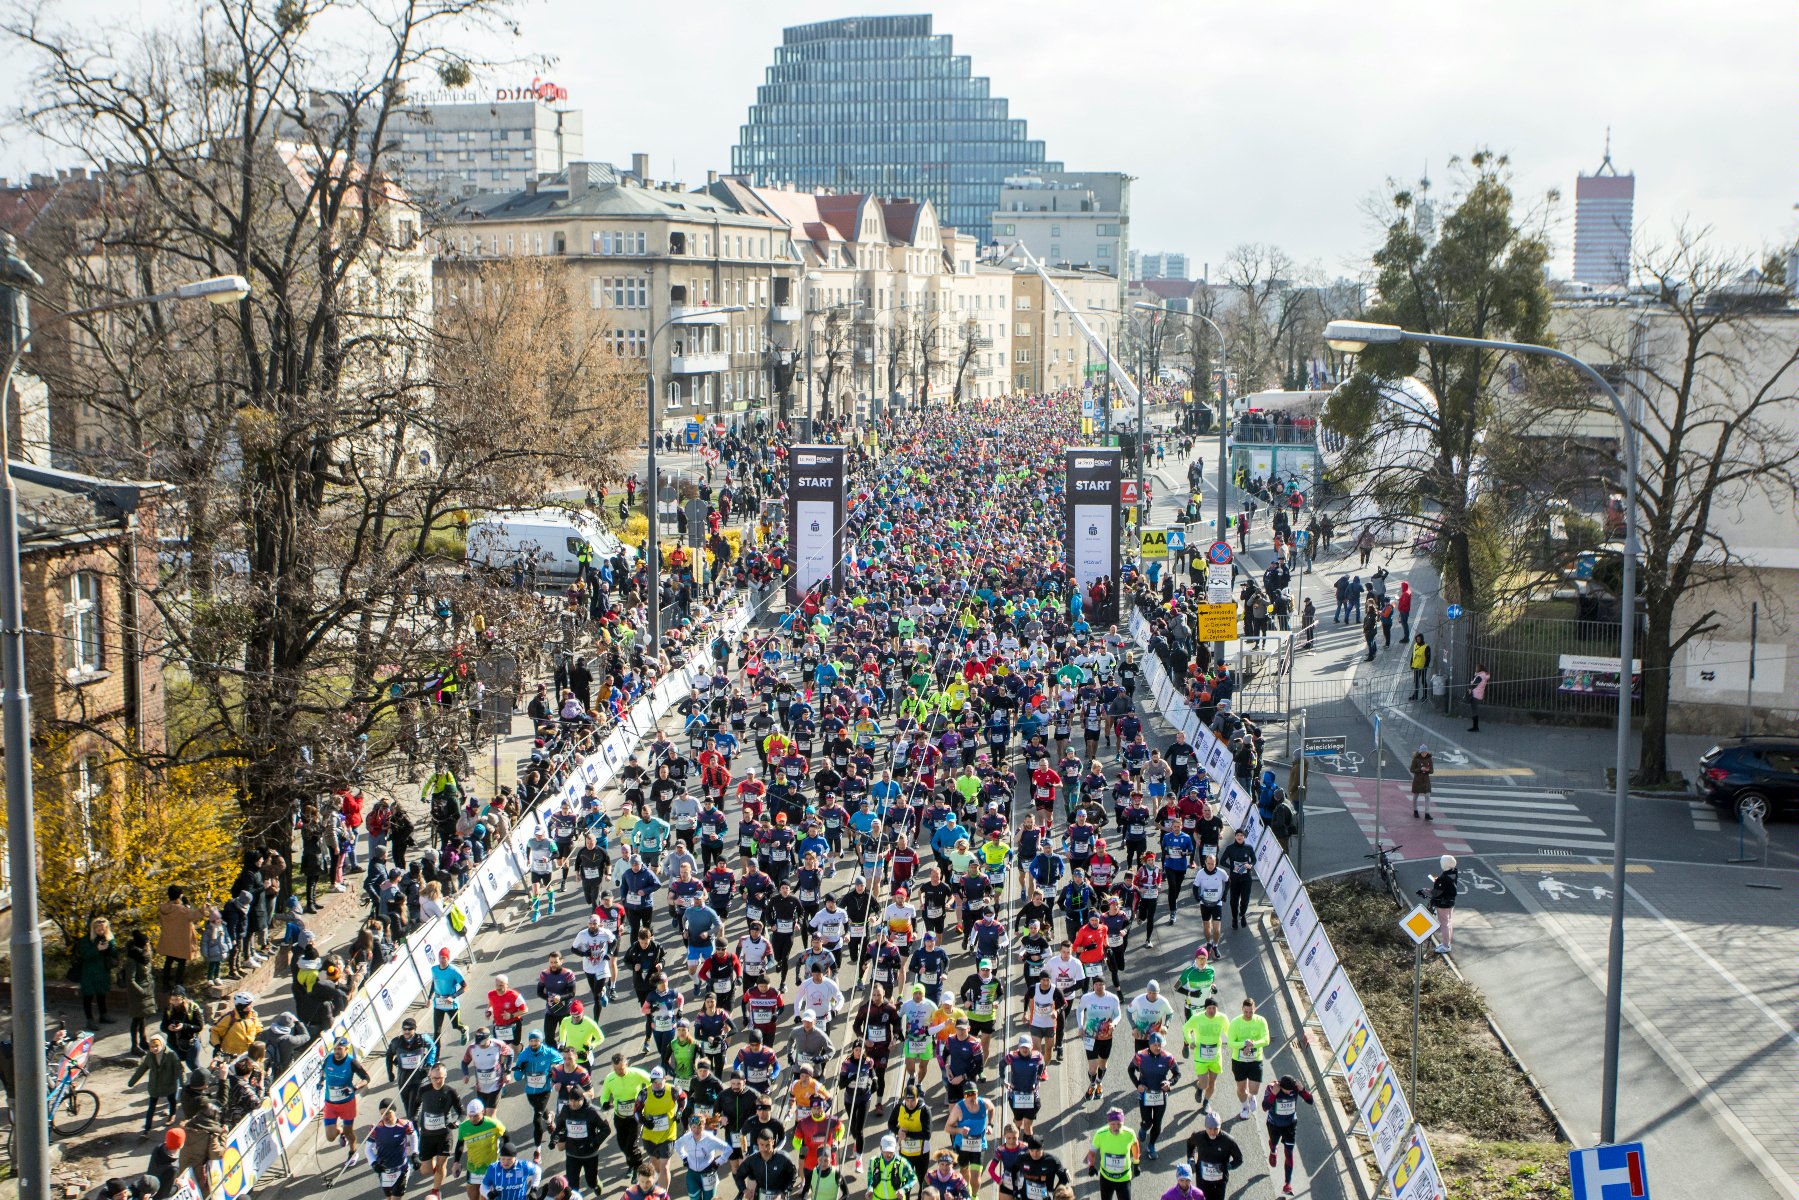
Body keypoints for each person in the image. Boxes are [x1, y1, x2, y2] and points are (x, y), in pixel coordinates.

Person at [1260, 1074, 1315, 1195]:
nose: (1289, 1092)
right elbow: (1264, 1107)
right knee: (1273, 1142)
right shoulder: (1271, 1088)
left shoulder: (1295, 1088)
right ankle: (1273, 1150)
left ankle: (1287, 1184)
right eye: (1286, 1091)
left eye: (1291, 1091)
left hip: (1290, 1125)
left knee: (1289, 1152)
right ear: (1281, 1086)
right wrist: (1273, 1094)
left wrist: (1303, 1090)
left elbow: (1310, 1101)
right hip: (1274, 1124)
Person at [362, 1099, 419, 1200]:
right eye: (382, 1114)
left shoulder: (405, 1125)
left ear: (394, 1111)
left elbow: (413, 1136)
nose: (385, 1116)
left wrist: (415, 1154)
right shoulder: (376, 1129)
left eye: (388, 1113)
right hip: (384, 1170)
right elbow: (368, 1149)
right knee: (389, 1198)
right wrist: (374, 1163)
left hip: (401, 1169)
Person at [126, 1034, 182, 1135]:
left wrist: (183, 1083)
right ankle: (147, 1129)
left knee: (172, 1100)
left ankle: (172, 1114)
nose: (154, 1049)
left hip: (169, 1084)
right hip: (155, 1086)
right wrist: (132, 1082)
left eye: (157, 1046)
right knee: (151, 1107)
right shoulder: (150, 1056)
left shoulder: (171, 1055)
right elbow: (142, 1068)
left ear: (162, 1045)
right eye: (152, 1047)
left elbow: (179, 1069)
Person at [1226, 998, 1269, 1120]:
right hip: (1239, 1061)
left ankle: (1251, 1097)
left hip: (1255, 1060)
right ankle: (1244, 1106)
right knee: (1241, 1088)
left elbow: (1266, 1040)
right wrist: (1244, 1044)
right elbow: (1230, 1043)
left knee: (1254, 1090)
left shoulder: (1261, 1021)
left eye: (1251, 1012)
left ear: (1255, 1009)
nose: (1248, 1014)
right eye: (1246, 1012)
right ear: (1242, 1010)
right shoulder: (1235, 1022)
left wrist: (1252, 1044)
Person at [455, 1098, 507, 1200]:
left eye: (475, 1116)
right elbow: (460, 1144)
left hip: (490, 1168)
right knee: (473, 1197)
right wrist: (456, 1162)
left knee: (484, 1198)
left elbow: (506, 1136)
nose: (473, 1119)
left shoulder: (493, 1124)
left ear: (483, 1111)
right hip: (473, 1169)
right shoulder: (464, 1127)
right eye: (470, 1116)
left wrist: (505, 1157)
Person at [1183, 1112, 1243, 1200]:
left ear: (1220, 1126)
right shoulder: (1198, 1137)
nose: (1212, 1132)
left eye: (1216, 1129)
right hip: (1202, 1179)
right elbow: (1190, 1144)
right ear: (1205, 1126)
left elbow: (1239, 1159)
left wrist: (1230, 1166)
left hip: (1220, 1181)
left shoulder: (1228, 1141)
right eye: (1209, 1128)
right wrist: (1191, 1159)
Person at [671, 1114, 732, 1200]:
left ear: (703, 1126)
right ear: (690, 1127)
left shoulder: (710, 1138)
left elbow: (728, 1149)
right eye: (694, 1127)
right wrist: (684, 1158)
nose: (696, 1130)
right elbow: (677, 1145)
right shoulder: (687, 1137)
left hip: (708, 1173)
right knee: (694, 1198)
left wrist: (718, 1162)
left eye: (699, 1127)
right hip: (692, 1175)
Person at [1085, 1107, 1140, 1200]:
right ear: (1108, 1123)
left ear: (1123, 1123)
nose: (1116, 1127)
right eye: (1112, 1124)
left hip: (1124, 1179)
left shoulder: (1129, 1134)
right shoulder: (1100, 1134)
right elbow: (1091, 1153)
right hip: (1106, 1179)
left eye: (1119, 1124)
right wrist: (1091, 1166)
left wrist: (1136, 1163)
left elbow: (1135, 1147)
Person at [733, 1125, 798, 1200]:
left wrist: (783, 1192)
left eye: (768, 1145)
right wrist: (744, 1190)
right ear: (757, 1142)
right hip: (760, 1195)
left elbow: (793, 1175)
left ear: (773, 1142)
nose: (765, 1149)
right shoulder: (752, 1160)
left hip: (779, 1196)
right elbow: (739, 1175)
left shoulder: (784, 1158)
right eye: (762, 1145)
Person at [76, 917, 118, 1026]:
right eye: (98, 928)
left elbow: (114, 954)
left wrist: (110, 944)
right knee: (88, 996)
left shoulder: (108, 938)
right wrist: (97, 949)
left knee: (102, 994)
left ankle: (103, 1015)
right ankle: (89, 1019)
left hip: (103, 972)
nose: (101, 930)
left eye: (103, 928)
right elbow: (84, 955)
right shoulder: (86, 940)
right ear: (93, 928)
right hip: (89, 972)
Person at [866, 1134, 916, 1200]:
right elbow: (870, 1178)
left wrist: (903, 1190)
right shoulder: (873, 1161)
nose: (889, 1154)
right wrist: (870, 1189)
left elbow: (913, 1179)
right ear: (881, 1149)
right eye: (886, 1151)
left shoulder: (903, 1163)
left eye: (891, 1151)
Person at [1426, 855, 1458, 953]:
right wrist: (1438, 881)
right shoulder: (1453, 872)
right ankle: (1447, 942)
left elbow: (1437, 892)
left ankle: (1445, 946)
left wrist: (1427, 890)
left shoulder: (1443, 878)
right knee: (1449, 922)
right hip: (1451, 901)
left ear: (1445, 864)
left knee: (1444, 924)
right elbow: (1446, 885)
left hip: (1443, 903)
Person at [1409, 744, 1435, 820]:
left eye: (1425, 752)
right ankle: (1415, 811)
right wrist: (1420, 769)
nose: (1424, 754)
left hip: (1426, 780)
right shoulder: (1416, 759)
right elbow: (1412, 770)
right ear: (1420, 752)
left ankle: (1427, 813)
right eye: (1423, 752)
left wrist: (1428, 770)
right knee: (1415, 796)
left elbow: (1432, 771)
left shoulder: (1429, 759)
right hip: (1417, 780)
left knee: (1427, 796)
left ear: (1427, 752)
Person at [1408, 634, 1432, 701]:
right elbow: (1413, 655)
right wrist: (1411, 664)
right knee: (1416, 681)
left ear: (1422, 639)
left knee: (1423, 681)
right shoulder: (1415, 645)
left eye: (1419, 639)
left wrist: (1425, 667)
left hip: (1423, 667)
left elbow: (1428, 659)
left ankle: (1425, 696)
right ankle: (1415, 695)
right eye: (1417, 639)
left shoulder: (1426, 647)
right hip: (1416, 666)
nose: (1418, 640)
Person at [1467, 664, 1490, 732]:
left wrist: (1470, 686)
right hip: (1479, 694)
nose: (1475, 669)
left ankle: (1475, 727)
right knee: (1475, 711)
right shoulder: (1484, 675)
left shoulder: (1480, 676)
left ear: (1479, 669)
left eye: (1476, 668)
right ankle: (1475, 727)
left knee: (1474, 711)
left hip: (1475, 695)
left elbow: (1474, 685)